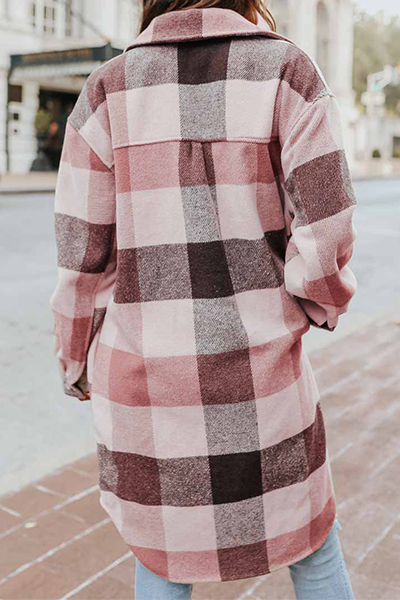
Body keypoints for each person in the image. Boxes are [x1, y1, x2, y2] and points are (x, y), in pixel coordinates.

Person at [50, 1, 358, 598]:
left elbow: (82, 260)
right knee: (314, 549)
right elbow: (327, 232)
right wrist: (314, 306)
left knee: (161, 560)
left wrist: (75, 358)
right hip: (265, 381)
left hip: (146, 388)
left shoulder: (105, 91)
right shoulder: (287, 73)